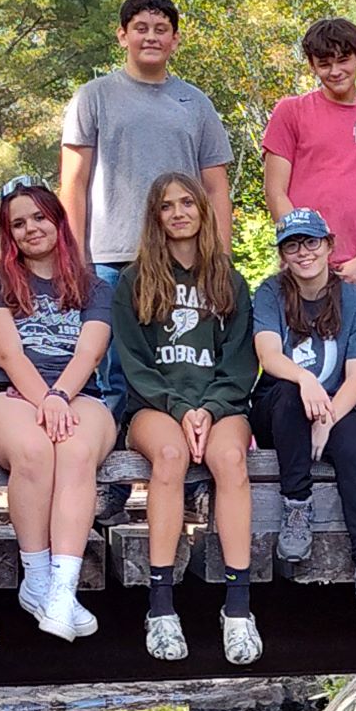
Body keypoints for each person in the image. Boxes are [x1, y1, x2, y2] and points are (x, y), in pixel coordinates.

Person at [59, 0, 235, 416]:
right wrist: (74, 257)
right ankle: (112, 480)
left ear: (175, 39)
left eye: (161, 29)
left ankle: (188, 473)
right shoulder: (93, 97)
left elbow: (215, 189)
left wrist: (221, 259)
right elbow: (74, 183)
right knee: (114, 371)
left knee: (180, 365)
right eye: (140, 28)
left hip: (183, 260)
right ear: (122, 36)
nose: (150, 37)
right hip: (112, 257)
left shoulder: (195, 103)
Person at [109, 173, 260, 663]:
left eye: (187, 203)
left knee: (232, 460)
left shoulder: (229, 280)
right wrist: (179, 409)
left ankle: (237, 609)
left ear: (202, 211)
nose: (178, 213)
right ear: (155, 218)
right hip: (154, 407)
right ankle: (161, 607)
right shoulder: (135, 281)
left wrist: (210, 409)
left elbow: (239, 362)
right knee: (171, 456)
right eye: (167, 206)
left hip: (221, 407)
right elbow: (133, 362)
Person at [0, 176, 119, 643]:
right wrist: (43, 399)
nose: (31, 228)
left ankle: (62, 591)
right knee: (33, 448)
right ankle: (35, 578)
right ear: (8, 234)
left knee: (75, 452)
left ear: (57, 220)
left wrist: (59, 398)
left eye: (39, 217)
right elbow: (8, 354)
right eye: (18, 223)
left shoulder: (93, 285)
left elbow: (89, 354)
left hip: (78, 395)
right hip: (6, 394)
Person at [251, 209, 356, 615]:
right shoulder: (269, 293)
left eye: (311, 242)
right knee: (286, 394)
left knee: (354, 443)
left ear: (329, 245)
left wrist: (328, 416)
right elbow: (268, 354)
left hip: (336, 406)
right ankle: (296, 503)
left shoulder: (354, 301)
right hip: (279, 409)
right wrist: (306, 381)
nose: (303, 253)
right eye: (293, 245)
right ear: (283, 254)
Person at [260, 15, 356, 278]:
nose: (335, 71)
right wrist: (305, 252)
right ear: (312, 65)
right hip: (304, 265)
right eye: (324, 64)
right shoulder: (290, 111)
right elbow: (275, 192)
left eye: (343, 60)